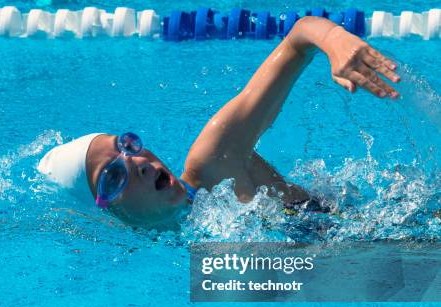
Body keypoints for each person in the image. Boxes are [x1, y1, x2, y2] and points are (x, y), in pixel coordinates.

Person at [38, 16, 400, 229]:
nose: (140, 166)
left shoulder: (212, 163)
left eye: (127, 147)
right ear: (108, 214)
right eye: (114, 177)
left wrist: (334, 39)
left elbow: (299, 37)